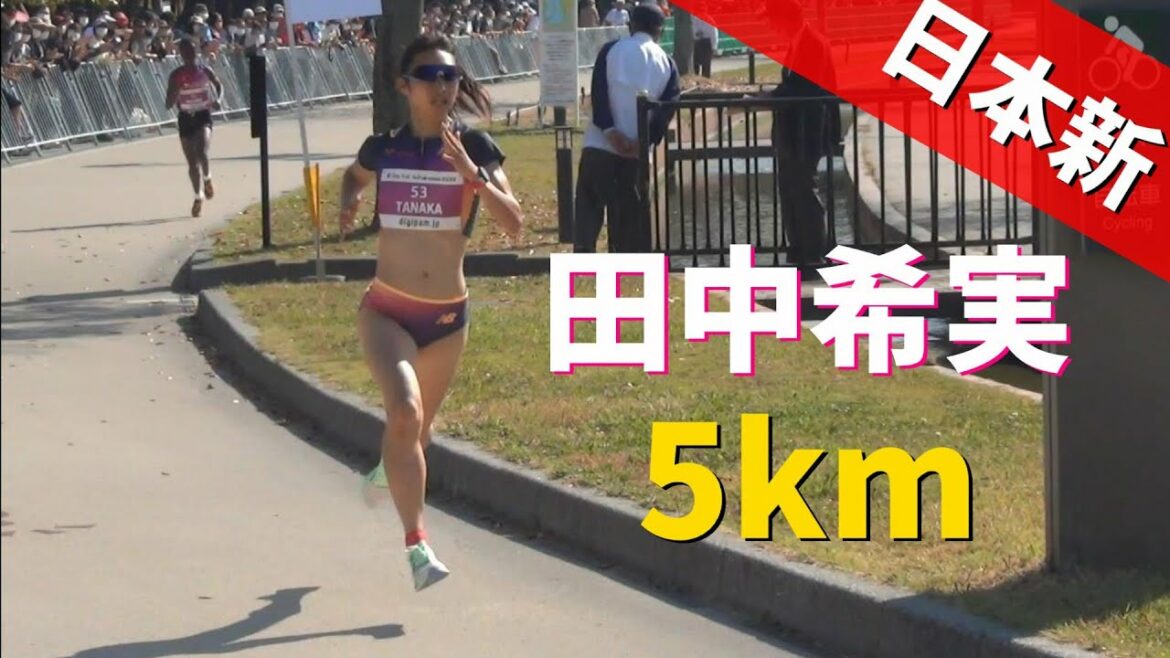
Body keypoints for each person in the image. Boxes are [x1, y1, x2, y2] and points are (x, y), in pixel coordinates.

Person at [338, 34, 523, 592]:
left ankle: (386, 471)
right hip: (387, 311)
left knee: (417, 436)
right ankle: (418, 546)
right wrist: (349, 199)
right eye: (429, 76)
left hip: (446, 319)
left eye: (449, 76)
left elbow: (514, 224)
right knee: (404, 413)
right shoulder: (383, 148)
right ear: (405, 86)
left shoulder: (476, 147)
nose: (442, 85)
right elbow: (354, 175)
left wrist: (473, 174)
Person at [575, 2, 679, 253]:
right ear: (660, 30)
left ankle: (583, 255)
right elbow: (666, 109)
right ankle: (625, 259)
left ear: (631, 25)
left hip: (599, 144)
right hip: (635, 153)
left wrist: (610, 131)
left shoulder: (611, 51)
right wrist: (644, 141)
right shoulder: (667, 63)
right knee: (629, 215)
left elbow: (599, 93)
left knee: (589, 206)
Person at [758, 0, 840, 267]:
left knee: (804, 189)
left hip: (807, 130)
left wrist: (768, 99)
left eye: (772, 20)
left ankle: (813, 253)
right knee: (791, 190)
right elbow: (793, 85)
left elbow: (804, 88)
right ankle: (798, 251)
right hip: (793, 130)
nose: (770, 26)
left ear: (785, 19)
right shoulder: (798, 42)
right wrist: (770, 97)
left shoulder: (812, 43)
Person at [165, 37, 222, 218]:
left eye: (191, 51)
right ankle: (198, 197)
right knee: (192, 163)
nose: (189, 55)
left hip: (203, 115)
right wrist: (176, 90)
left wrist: (218, 99)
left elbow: (219, 85)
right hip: (185, 117)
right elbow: (168, 104)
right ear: (181, 55)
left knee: (202, 151)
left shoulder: (205, 70)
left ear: (196, 51)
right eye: (185, 53)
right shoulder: (175, 75)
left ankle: (208, 179)